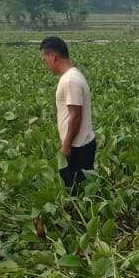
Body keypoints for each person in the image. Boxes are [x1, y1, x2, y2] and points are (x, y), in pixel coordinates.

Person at [40, 37, 96, 191]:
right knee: (77, 189)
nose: (47, 65)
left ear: (53, 56)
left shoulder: (70, 80)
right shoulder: (73, 75)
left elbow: (75, 115)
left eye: (45, 60)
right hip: (79, 144)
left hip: (78, 147)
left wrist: (66, 145)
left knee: (76, 190)